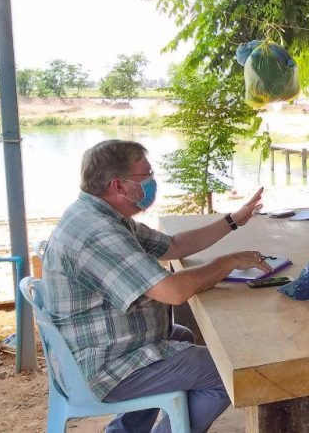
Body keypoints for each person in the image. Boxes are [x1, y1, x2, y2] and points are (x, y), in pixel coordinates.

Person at [43, 140, 272, 433]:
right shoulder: (99, 232)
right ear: (119, 186)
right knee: (228, 374)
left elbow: (174, 246)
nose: (152, 182)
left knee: (182, 336)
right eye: (145, 176)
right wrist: (227, 262)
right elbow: (173, 292)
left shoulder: (101, 215)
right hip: (103, 367)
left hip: (103, 345)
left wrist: (233, 221)